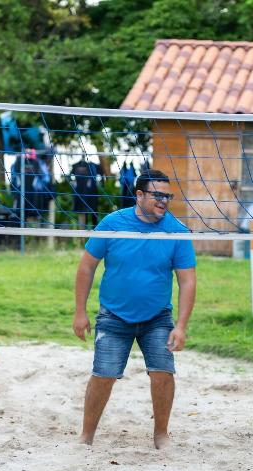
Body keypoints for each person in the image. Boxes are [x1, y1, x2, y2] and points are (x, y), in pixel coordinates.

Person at [73, 169, 196, 449]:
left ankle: (161, 435)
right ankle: (86, 435)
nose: (164, 201)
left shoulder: (176, 231)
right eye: (157, 195)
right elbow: (87, 266)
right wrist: (80, 312)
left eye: (168, 196)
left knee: (163, 372)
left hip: (157, 317)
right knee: (104, 374)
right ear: (139, 195)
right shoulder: (113, 223)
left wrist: (181, 326)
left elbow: (187, 280)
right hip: (114, 315)